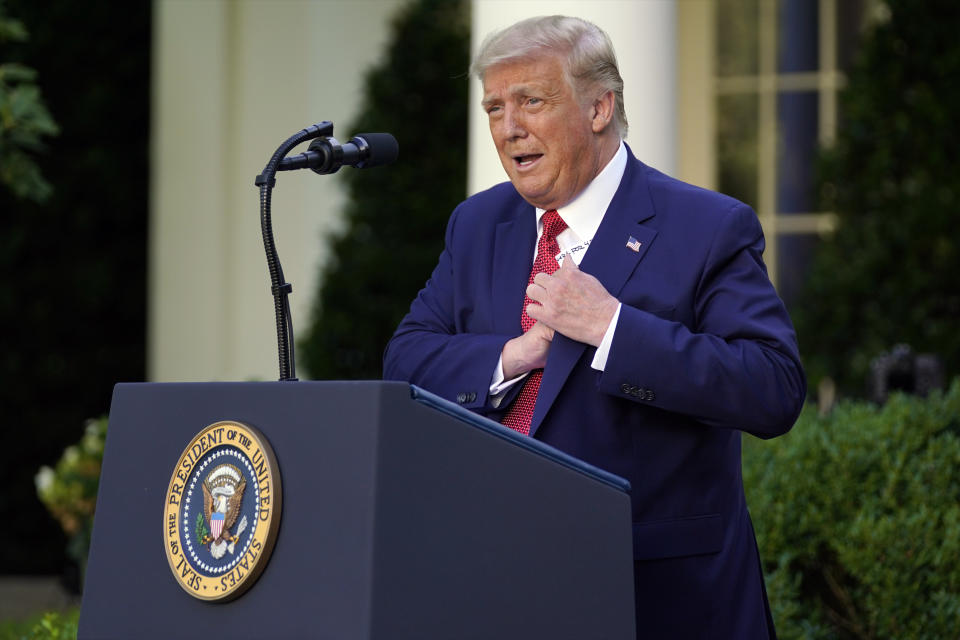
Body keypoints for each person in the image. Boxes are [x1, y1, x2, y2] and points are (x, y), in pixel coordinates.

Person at [383, 14, 805, 639]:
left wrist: (612, 329)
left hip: (658, 598)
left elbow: (772, 387)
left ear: (600, 108)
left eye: (531, 101)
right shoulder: (476, 225)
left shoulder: (706, 226)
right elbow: (406, 358)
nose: (509, 129)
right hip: (498, 591)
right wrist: (513, 355)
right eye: (494, 108)